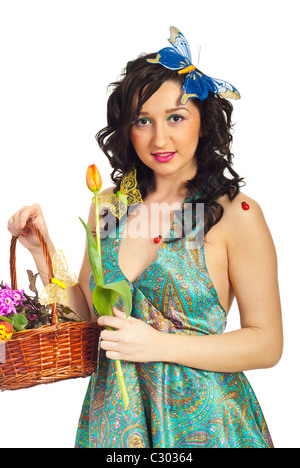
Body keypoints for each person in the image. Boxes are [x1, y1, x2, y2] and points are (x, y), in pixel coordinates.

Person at [7, 27, 282, 448]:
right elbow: (90, 315)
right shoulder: (111, 206)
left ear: (203, 123)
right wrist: (42, 250)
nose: (160, 139)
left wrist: (158, 345)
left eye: (176, 117)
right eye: (143, 120)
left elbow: (266, 343)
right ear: (126, 128)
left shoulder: (234, 214)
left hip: (206, 425)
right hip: (116, 423)